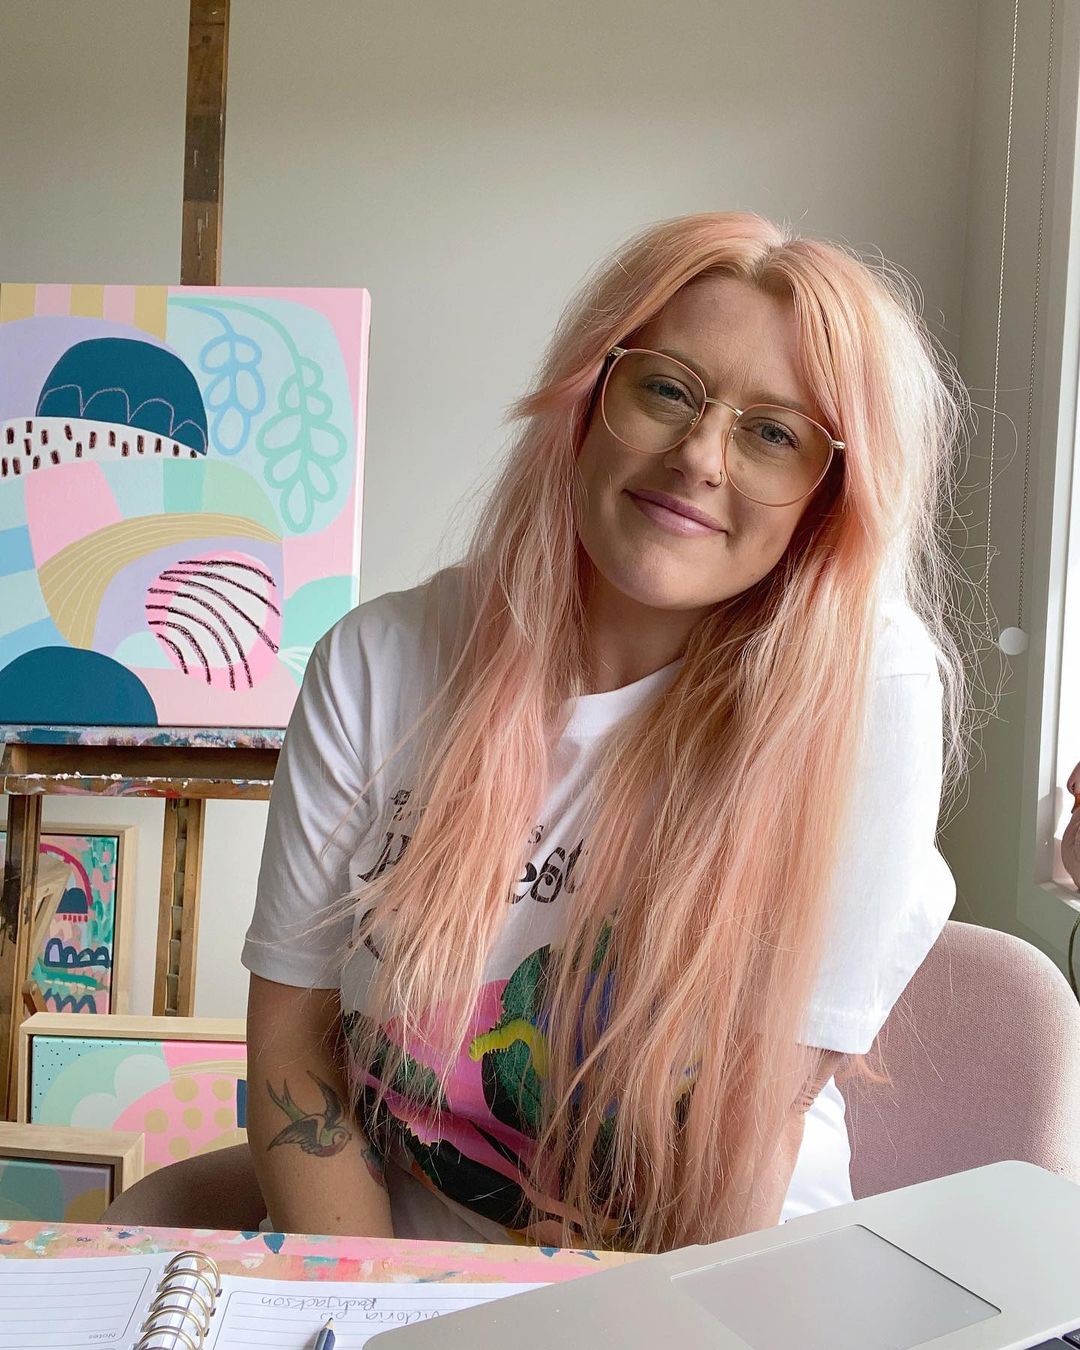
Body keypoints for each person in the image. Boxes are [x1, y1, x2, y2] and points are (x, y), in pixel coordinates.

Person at [106, 211, 974, 1253]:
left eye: (773, 433)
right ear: (589, 396)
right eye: (666, 388)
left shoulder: (867, 688)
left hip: (712, 1279)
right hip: (409, 1259)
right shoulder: (380, 663)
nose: (701, 455)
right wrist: (380, 1314)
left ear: (830, 498)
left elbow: (755, 1127)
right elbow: (294, 1042)